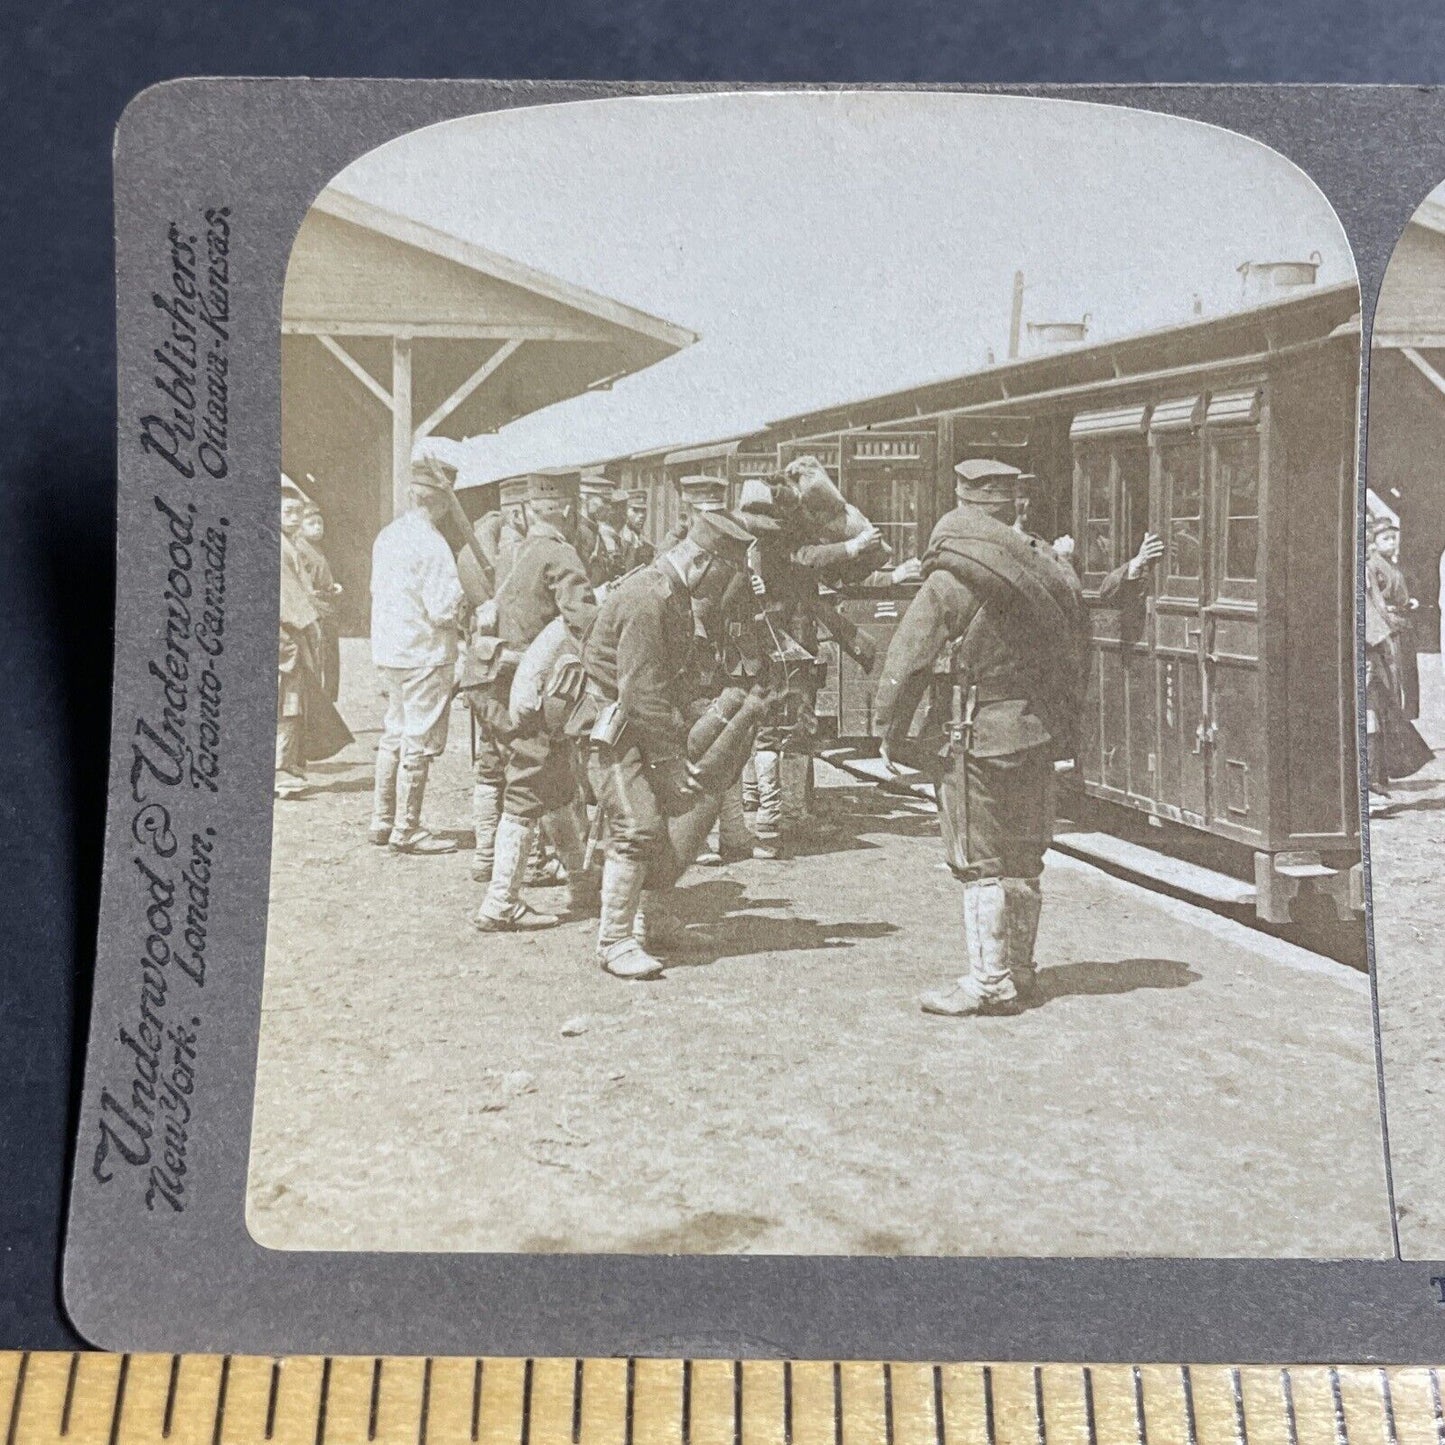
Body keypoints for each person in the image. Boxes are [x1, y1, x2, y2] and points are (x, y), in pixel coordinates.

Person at [875, 458, 1088, 1018]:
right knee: (1025, 859)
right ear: (1010, 505)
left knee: (980, 862)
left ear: (965, 505)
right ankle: (1021, 969)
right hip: (1037, 732)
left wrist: (889, 731)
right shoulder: (1051, 568)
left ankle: (989, 982)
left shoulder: (951, 579)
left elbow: (907, 661)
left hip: (975, 734)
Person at [581, 509, 757, 979]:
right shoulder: (649, 599)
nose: (727, 590)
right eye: (727, 576)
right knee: (638, 825)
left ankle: (654, 922)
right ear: (704, 562)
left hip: (645, 725)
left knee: (673, 817)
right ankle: (614, 941)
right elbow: (640, 693)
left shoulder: (671, 591)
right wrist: (671, 759)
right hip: (613, 731)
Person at [472, 471, 600, 932]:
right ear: (569, 509)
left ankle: (584, 883)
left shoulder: (516, 549)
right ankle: (500, 900)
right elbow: (586, 623)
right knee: (528, 788)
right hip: (528, 691)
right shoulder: (561, 553)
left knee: (558, 783)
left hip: (493, 681)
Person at [368, 456, 466, 855]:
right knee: (418, 740)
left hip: (391, 650)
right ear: (442, 503)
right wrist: (466, 602)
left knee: (394, 732)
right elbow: (442, 610)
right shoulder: (433, 545)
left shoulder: (388, 536)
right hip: (424, 652)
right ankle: (408, 828)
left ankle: (381, 820)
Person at [277, 481, 322, 799]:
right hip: (285, 631)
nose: (294, 517)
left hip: (294, 627)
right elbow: (288, 595)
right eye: (288, 511)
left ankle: (288, 761)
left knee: (296, 697)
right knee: (286, 700)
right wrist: (309, 622)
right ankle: (278, 769)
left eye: (298, 512)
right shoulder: (279, 547)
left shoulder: (292, 545)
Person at [1368, 519, 1420, 719]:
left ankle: (1410, 714)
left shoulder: (1393, 564)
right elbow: (1377, 601)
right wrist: (1387, 622)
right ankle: (1396, 717)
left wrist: (1408, 602)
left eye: (1393, 538)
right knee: (1394, 672)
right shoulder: (1372, 566)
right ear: (1374, 542)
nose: (1391, 542)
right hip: (1390, 623)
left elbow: (1398, 593)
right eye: (1386, 538)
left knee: (1409, 670)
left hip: (1403, 620)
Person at [296, 500, 344, 701]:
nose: (317, 528)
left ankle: (328, 698)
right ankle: (318, 700)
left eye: (320, 523)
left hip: (327, 606)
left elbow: (322, 577)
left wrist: (333, 587)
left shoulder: (318, 549)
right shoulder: (298, 549)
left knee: (331, 654)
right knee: (319, 655)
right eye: (312, 523)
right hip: (316, 608)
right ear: (300, 526)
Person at [579, 475, 628, 588]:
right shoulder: (578, 533)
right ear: (585, 499)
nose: (609, 507)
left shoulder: (597, 532)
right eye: (604, 501)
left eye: (609, 502)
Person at [621, 488, 655, 570]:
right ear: (624, 512)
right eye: (635, 510)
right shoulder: (622, 539)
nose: (641, 515)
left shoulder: (643, 541)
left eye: (643, 511)